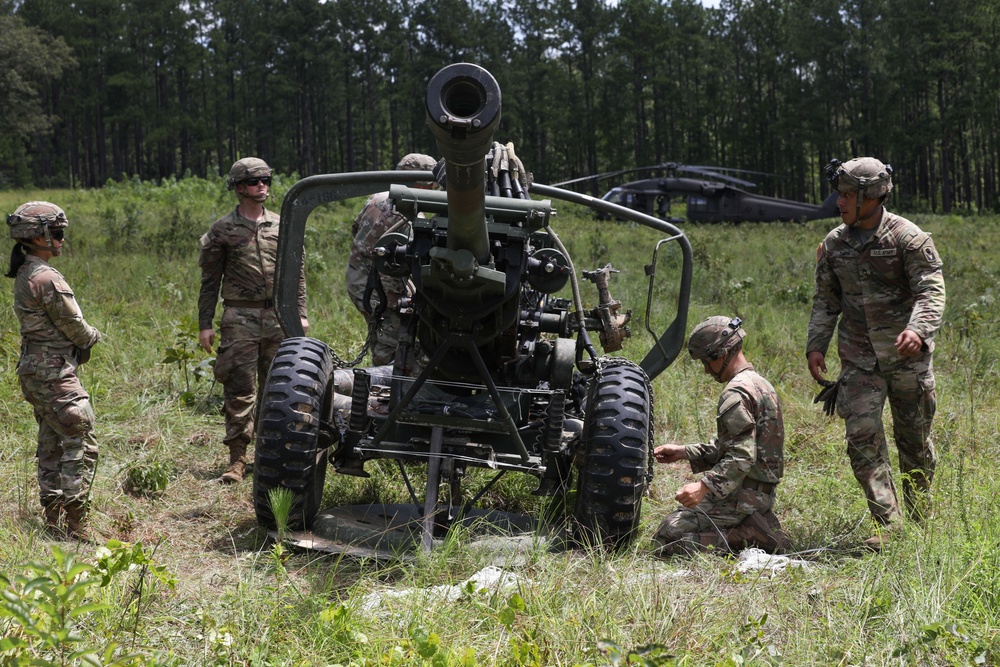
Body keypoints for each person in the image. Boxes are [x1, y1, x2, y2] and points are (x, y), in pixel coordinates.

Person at [808, 157, 945, 549]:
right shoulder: (835, 244)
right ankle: (889, 525)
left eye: (849, 194)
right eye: (840, 193)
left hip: (907, 361)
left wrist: (918, 330)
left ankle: (921, 523)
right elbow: (825, 301)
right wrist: (816, 345)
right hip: (859, 360)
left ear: (873, 196)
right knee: (862, 437)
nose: (840, 202)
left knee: (914, 444)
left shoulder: (908, 238)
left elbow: (930, 292)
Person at [199, 157, 308, 484]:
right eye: (254, 180)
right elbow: (209, 281)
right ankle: (237, 460)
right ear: (238, 187)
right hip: (239, 317)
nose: (262, 185)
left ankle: (271, 455)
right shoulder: (222, 230)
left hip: (279, 316)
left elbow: (296, 273)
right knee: (239, 389)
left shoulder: (282, 224)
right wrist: (205, 323)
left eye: (266, 179)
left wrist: (300, 313)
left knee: (279, 389)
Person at [651, 316, 789, 557]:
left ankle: (749, 535)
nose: (706, 370)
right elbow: (738, 444)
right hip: (759, 493)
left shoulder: (734, 393)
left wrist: (703, 487)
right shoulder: (761, 384)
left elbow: (741, 455)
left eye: (707, 361)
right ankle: (753, 523)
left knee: (667, 537)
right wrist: (683, 452)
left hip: (743, 497)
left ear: (721, 354)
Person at [6, 201, 102, 540]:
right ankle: (77, 524)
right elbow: (74, 326)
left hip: (35, 368)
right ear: (39, 237)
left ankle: (52, 517)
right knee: (80, 439)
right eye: (57, 234)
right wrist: (93, 337)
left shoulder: (27, 272)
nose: (62, 240)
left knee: (51, 441)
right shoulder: (45, 277)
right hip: (53, 370)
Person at [345, 153, 438, 367]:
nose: (435, 189)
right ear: (418, 183)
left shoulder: (384, 201)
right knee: (389, 344)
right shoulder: (398, 209)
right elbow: (386, 257)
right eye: (431, 184)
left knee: (392, 338)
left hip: (369, 282)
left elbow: (355, 228)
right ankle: (385, 388)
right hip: (378, 289)